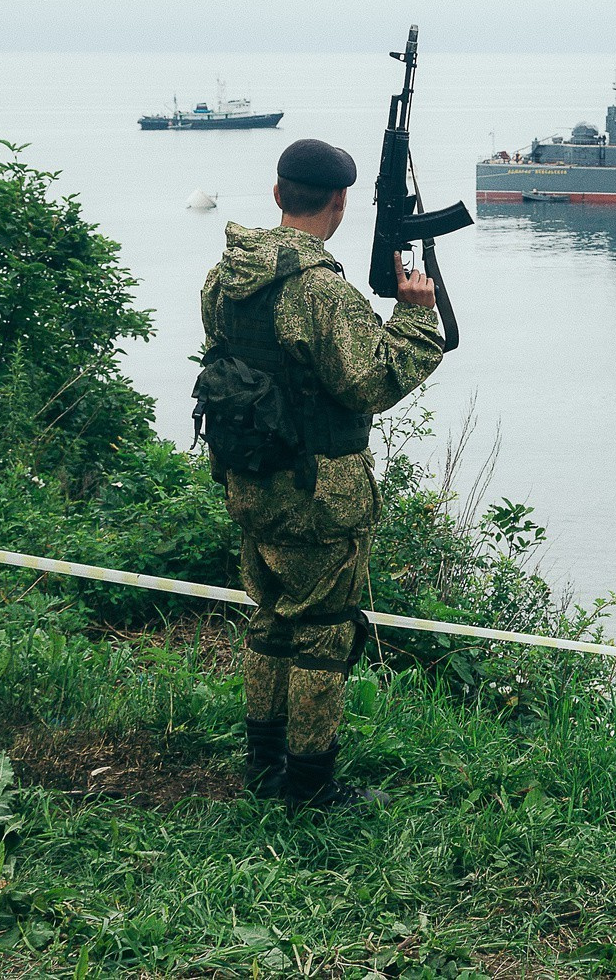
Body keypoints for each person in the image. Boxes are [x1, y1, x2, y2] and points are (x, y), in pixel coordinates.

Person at [197, 138, 445, 809]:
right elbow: (368, 379)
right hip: (317, 495)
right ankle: (308, 784)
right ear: (339, 203)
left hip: (251, 479)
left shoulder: (226, 276)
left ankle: (263, 763)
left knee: (271, 619)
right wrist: (417, 316)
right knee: (323, 633)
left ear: (279, 195)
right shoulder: (320, 291)